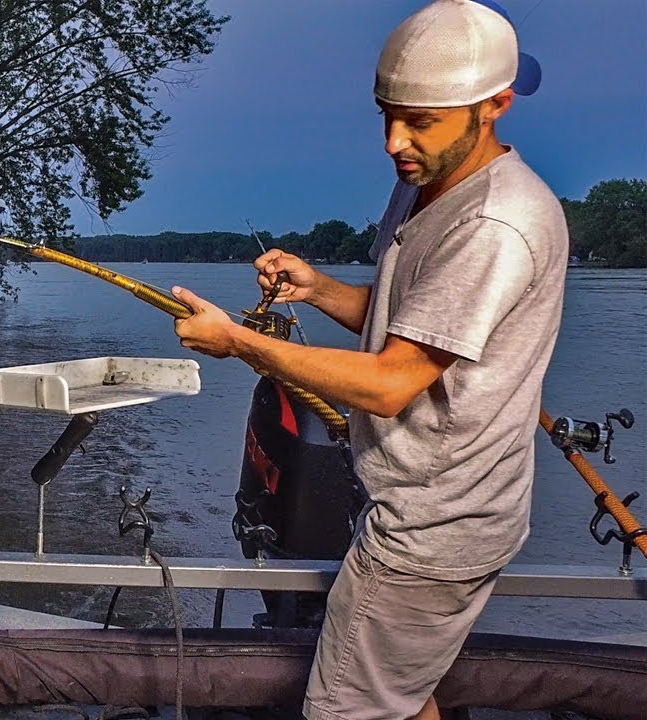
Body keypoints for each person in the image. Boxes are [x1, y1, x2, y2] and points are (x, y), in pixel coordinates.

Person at [170, 1, 568, 718]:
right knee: (402, 696)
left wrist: (240, 342)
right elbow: (407, 326)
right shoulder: (427, 183)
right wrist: (318, 288)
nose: (394, 142)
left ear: (494, 106)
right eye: (387, 116)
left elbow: (390, 383)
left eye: (419, 122)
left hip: (434, 526)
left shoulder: (495, 224)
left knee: (343, 709)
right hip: (416, 502)